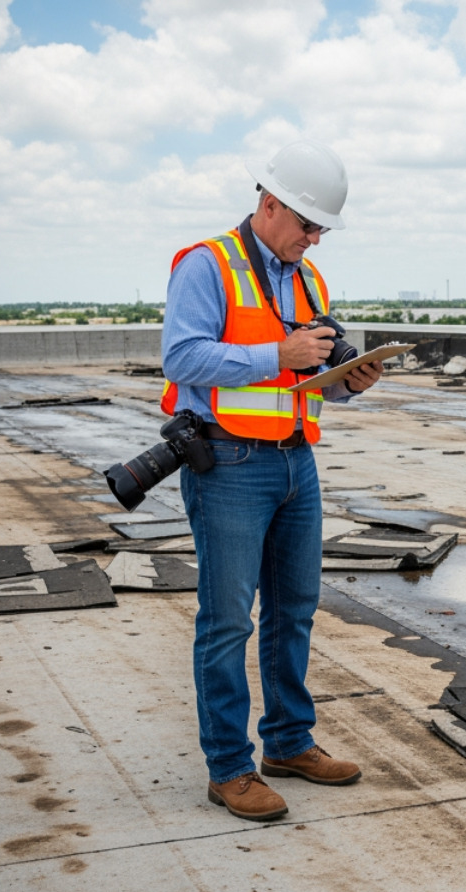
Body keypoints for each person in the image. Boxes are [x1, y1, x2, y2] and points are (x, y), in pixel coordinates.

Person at [161, 139, 381, 821]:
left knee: (295, 610)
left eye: (321, 230)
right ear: (268, 205)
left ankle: (287, 742)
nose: (314, 240)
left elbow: (306, 377)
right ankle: (230, 768)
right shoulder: (207, 265)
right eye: (308, 225)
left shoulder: (307, 279)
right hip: (228, 464)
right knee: (227, 620)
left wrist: (350, 383)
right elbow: (182, 356)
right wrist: (274, 353)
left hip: (295, 460)